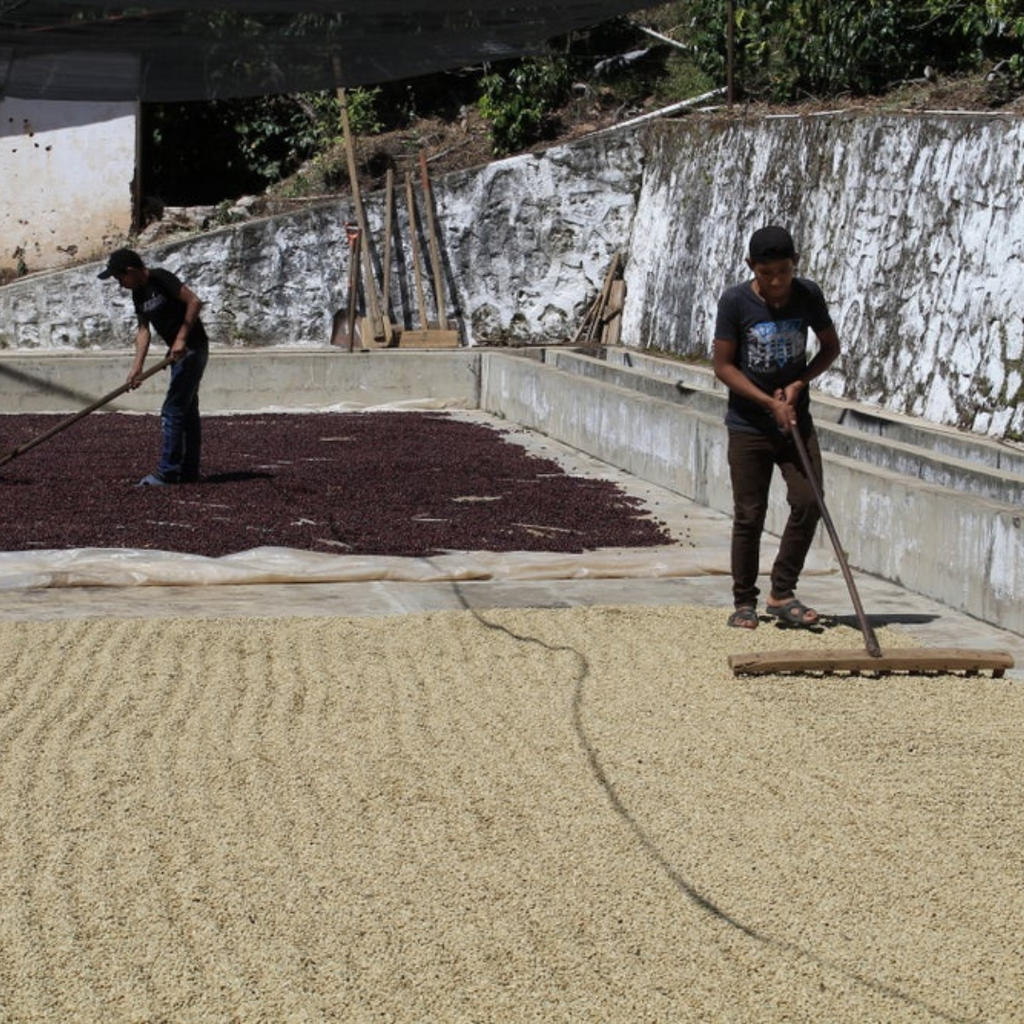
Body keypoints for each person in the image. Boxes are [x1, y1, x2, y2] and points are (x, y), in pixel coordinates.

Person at [712, 225, 841, 629]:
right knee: (750, 513)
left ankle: (782, 591)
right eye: (766, 273)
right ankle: (744, 600)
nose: (776, 282)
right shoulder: (735, 302)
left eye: (783, 272)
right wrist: (769, 402)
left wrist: (798, 383)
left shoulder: (808, 295)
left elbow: (829, 347)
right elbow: (723, 366)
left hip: (795, 422)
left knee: (808, 500)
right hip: (749, 425)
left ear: (794, 264)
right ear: (752, 266)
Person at [98, 247, 209, 486]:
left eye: (120, 278)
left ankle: (168, 473)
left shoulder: (160, 278)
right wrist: (136, 368)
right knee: (186, 411)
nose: (120, 284)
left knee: (172, 410)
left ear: (130, 271)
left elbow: (194, 302)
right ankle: (188, 472)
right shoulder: (138, 294)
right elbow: (143, 332)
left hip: (192, 348)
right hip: (178, 354)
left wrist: (180, 339)